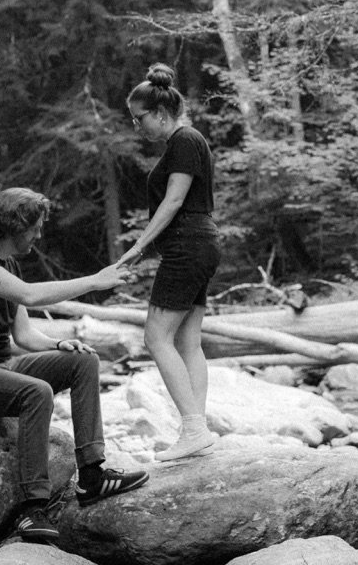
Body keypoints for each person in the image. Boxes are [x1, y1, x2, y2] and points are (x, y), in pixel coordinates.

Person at [0, 187, 149, 544]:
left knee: (84, 360)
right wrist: (94, 280)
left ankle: (92, 475)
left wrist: (58, 344)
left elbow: (25, 335)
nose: (39, 235)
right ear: (13, 225)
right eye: (34, 227)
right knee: (37, 392)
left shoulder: (9, 263)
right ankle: (33, 509)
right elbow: (28, 295)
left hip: (2, 366)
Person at [118, 63, 222, 461]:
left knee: (156, 337)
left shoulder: (183, 140)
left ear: (160, 113)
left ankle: (194, 429)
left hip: (186, 245)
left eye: (139, 118)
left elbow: (174, 200)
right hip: (199, 244)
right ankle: (197, 429)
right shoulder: (187, 140)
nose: (136, 126)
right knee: (186, 340)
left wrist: (139, 246)